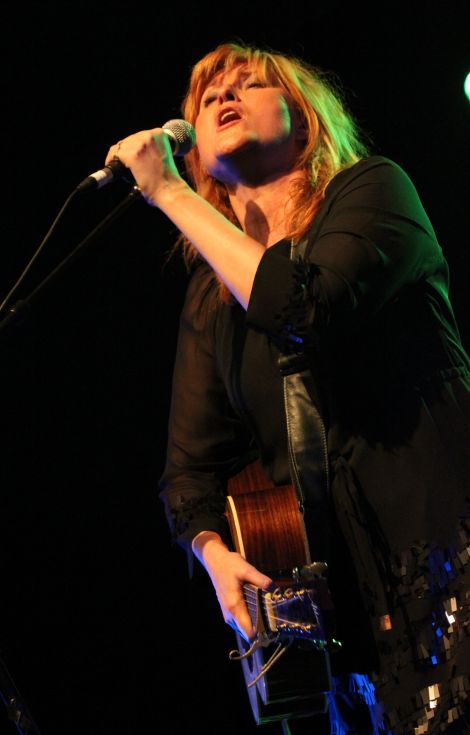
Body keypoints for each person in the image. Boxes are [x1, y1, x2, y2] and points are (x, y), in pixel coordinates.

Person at [105, 42, 470, 734]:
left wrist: (169, 192)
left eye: (247, 83)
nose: (222, 97)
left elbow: (301, 306)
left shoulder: (376, 191)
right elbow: (188, 474)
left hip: (447, 556)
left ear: (302, 121)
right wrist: (214, 554)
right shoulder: (210, 301)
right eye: (208, 96)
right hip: (353, 631)